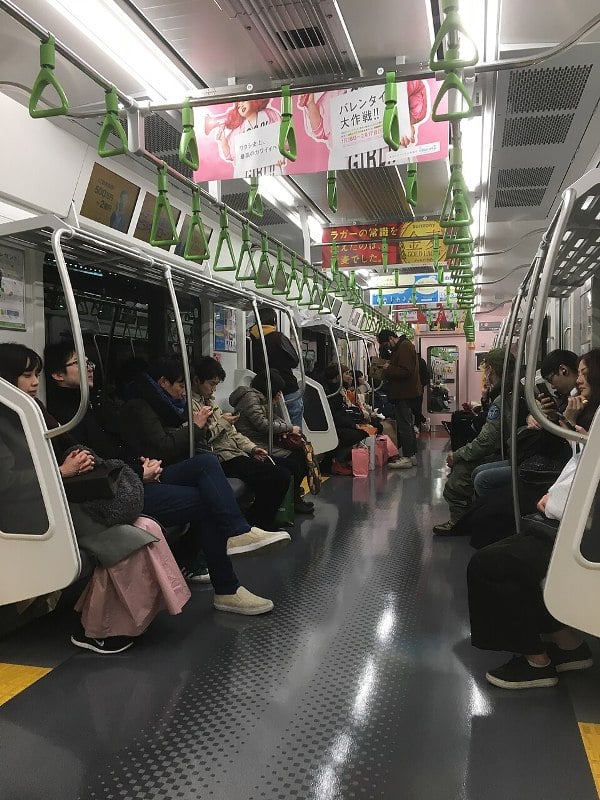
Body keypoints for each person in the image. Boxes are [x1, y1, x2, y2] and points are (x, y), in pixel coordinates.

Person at [0, 343, 191, 654]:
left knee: (148, 527)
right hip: (31, 511)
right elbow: (6, 482)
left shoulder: (33, 413)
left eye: (35, 373)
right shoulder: (7, 421)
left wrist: (79, 464)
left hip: (59, 499)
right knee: (127, 540)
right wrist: (62, 471)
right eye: (25, 375)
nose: (35, 382)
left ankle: (135, 617)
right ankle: (96, 629)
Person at [116, 353, 292, 614]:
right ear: (163, 383)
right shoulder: (141, 407)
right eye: (179, 384)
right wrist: (197, 427)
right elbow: (163, 446)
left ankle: (235, 545)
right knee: (209, 481)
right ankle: (228, 583)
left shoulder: (167, 406)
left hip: (154, 469)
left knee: (209, 468)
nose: (184, 391)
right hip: (140, 476)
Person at [467, 349, 600, 689]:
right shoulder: (591, 418)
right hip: (574, 522)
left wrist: (550, 503)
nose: (580, 380)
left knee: (487, 564)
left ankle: (535, 662)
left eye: (584, 373)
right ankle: (568, 647)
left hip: (577, 534)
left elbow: (582, 483)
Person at [191, 356, 291, 530]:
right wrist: (223, 422)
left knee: (283, 470)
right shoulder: (192, 406)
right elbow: (203, 438)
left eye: (216, 385)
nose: (214, 390)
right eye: (211, 384)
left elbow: (233, 433)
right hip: (220, 457)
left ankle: (256, 521)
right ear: (196, 380)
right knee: (278, 476)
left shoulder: (210, 402)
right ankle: (256, 525)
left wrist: (252, 449)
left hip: (235, 452)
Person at [432, 347, 525, 534]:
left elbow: (486, 441)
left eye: (487, 370)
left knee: (460, 474)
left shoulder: (502, 399)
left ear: (492, 370)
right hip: (513, 450)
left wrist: (458, 455)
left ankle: (459, 523)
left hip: (510, 454)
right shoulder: (514, 391)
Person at [230, 369, 314, 514]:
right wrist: (289, 427)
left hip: (261, 440)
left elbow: (272, 418)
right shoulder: (251, 398)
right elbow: (263, 424)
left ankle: (294, 498)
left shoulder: (260, 399)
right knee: (295, 462)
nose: (279, 395)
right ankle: (290, 501)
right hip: (255, 444)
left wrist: (286, 429)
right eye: (278, 391)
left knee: (301, 454)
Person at [249, 307, 304, 427]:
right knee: (294, 418)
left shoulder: (251, 339)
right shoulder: (278, 337)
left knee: (275, 424)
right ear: (274, 321)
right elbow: (294, 360)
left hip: (265, 390)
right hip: (287, 386)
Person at [320, 363, 369, 475]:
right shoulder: (333, 393)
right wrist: (352, 424)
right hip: (332, 426)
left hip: (337, 423)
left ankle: (338, 461)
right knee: (356, 434)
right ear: (338, 376)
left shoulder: (336, 390)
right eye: (346, 373)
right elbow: (337, 415)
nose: (350, 377)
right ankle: (337, 461)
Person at [383, 328, 421, 470]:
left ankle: (407, 456)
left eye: (387, 344)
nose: (388, 347)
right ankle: (411, 456)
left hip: (404, 393)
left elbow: (406, 371)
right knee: (407, 424)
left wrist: (388, 368)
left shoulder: (404, 346)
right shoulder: (404, 347)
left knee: (404, 425)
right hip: (405, 392)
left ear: (391, 338)